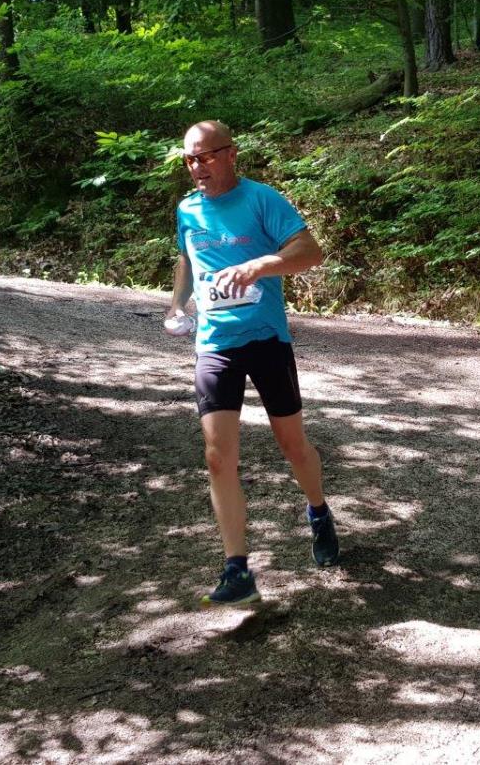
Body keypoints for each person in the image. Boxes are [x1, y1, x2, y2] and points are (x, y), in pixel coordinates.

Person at [166, 120, 339, 607]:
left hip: (266, 339)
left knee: (292, 445)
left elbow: (309, 251)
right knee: (217, 455)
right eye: (189, 159)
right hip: (215, 344)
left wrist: (260, 265)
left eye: (205, 156)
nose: (196, 167)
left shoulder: (263, 200)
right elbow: (187, 260)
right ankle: (237, 569)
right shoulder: (187, 209)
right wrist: (176, 304)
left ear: (230, 154)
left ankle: (318, 511)